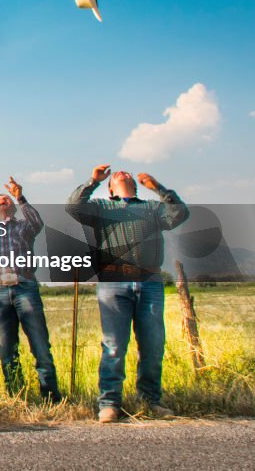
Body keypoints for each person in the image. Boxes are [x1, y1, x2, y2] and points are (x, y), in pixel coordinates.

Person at [66, 164, 189, 423]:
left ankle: (151, 401)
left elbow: (179, 214)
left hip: (149, 280)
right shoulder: (102, 208)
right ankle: (110, 403)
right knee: (113, 346)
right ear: (110, 189)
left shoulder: (153, 209)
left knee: (153, 345)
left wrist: (159, 189)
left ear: (135, 184)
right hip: (113, 282)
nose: (122, 173)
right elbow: (73, 207)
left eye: (127, 173)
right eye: (116, 175)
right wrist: (93, 180)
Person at [0, 177, 61, 402]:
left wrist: (20, 197)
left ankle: (51, 397)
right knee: (7, 349)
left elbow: (37, 222)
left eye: (5, 199)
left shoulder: (24, 227)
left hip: (25, 286)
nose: (2, 201)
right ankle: (16, 397)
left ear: (11, 206)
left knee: (40, 345)